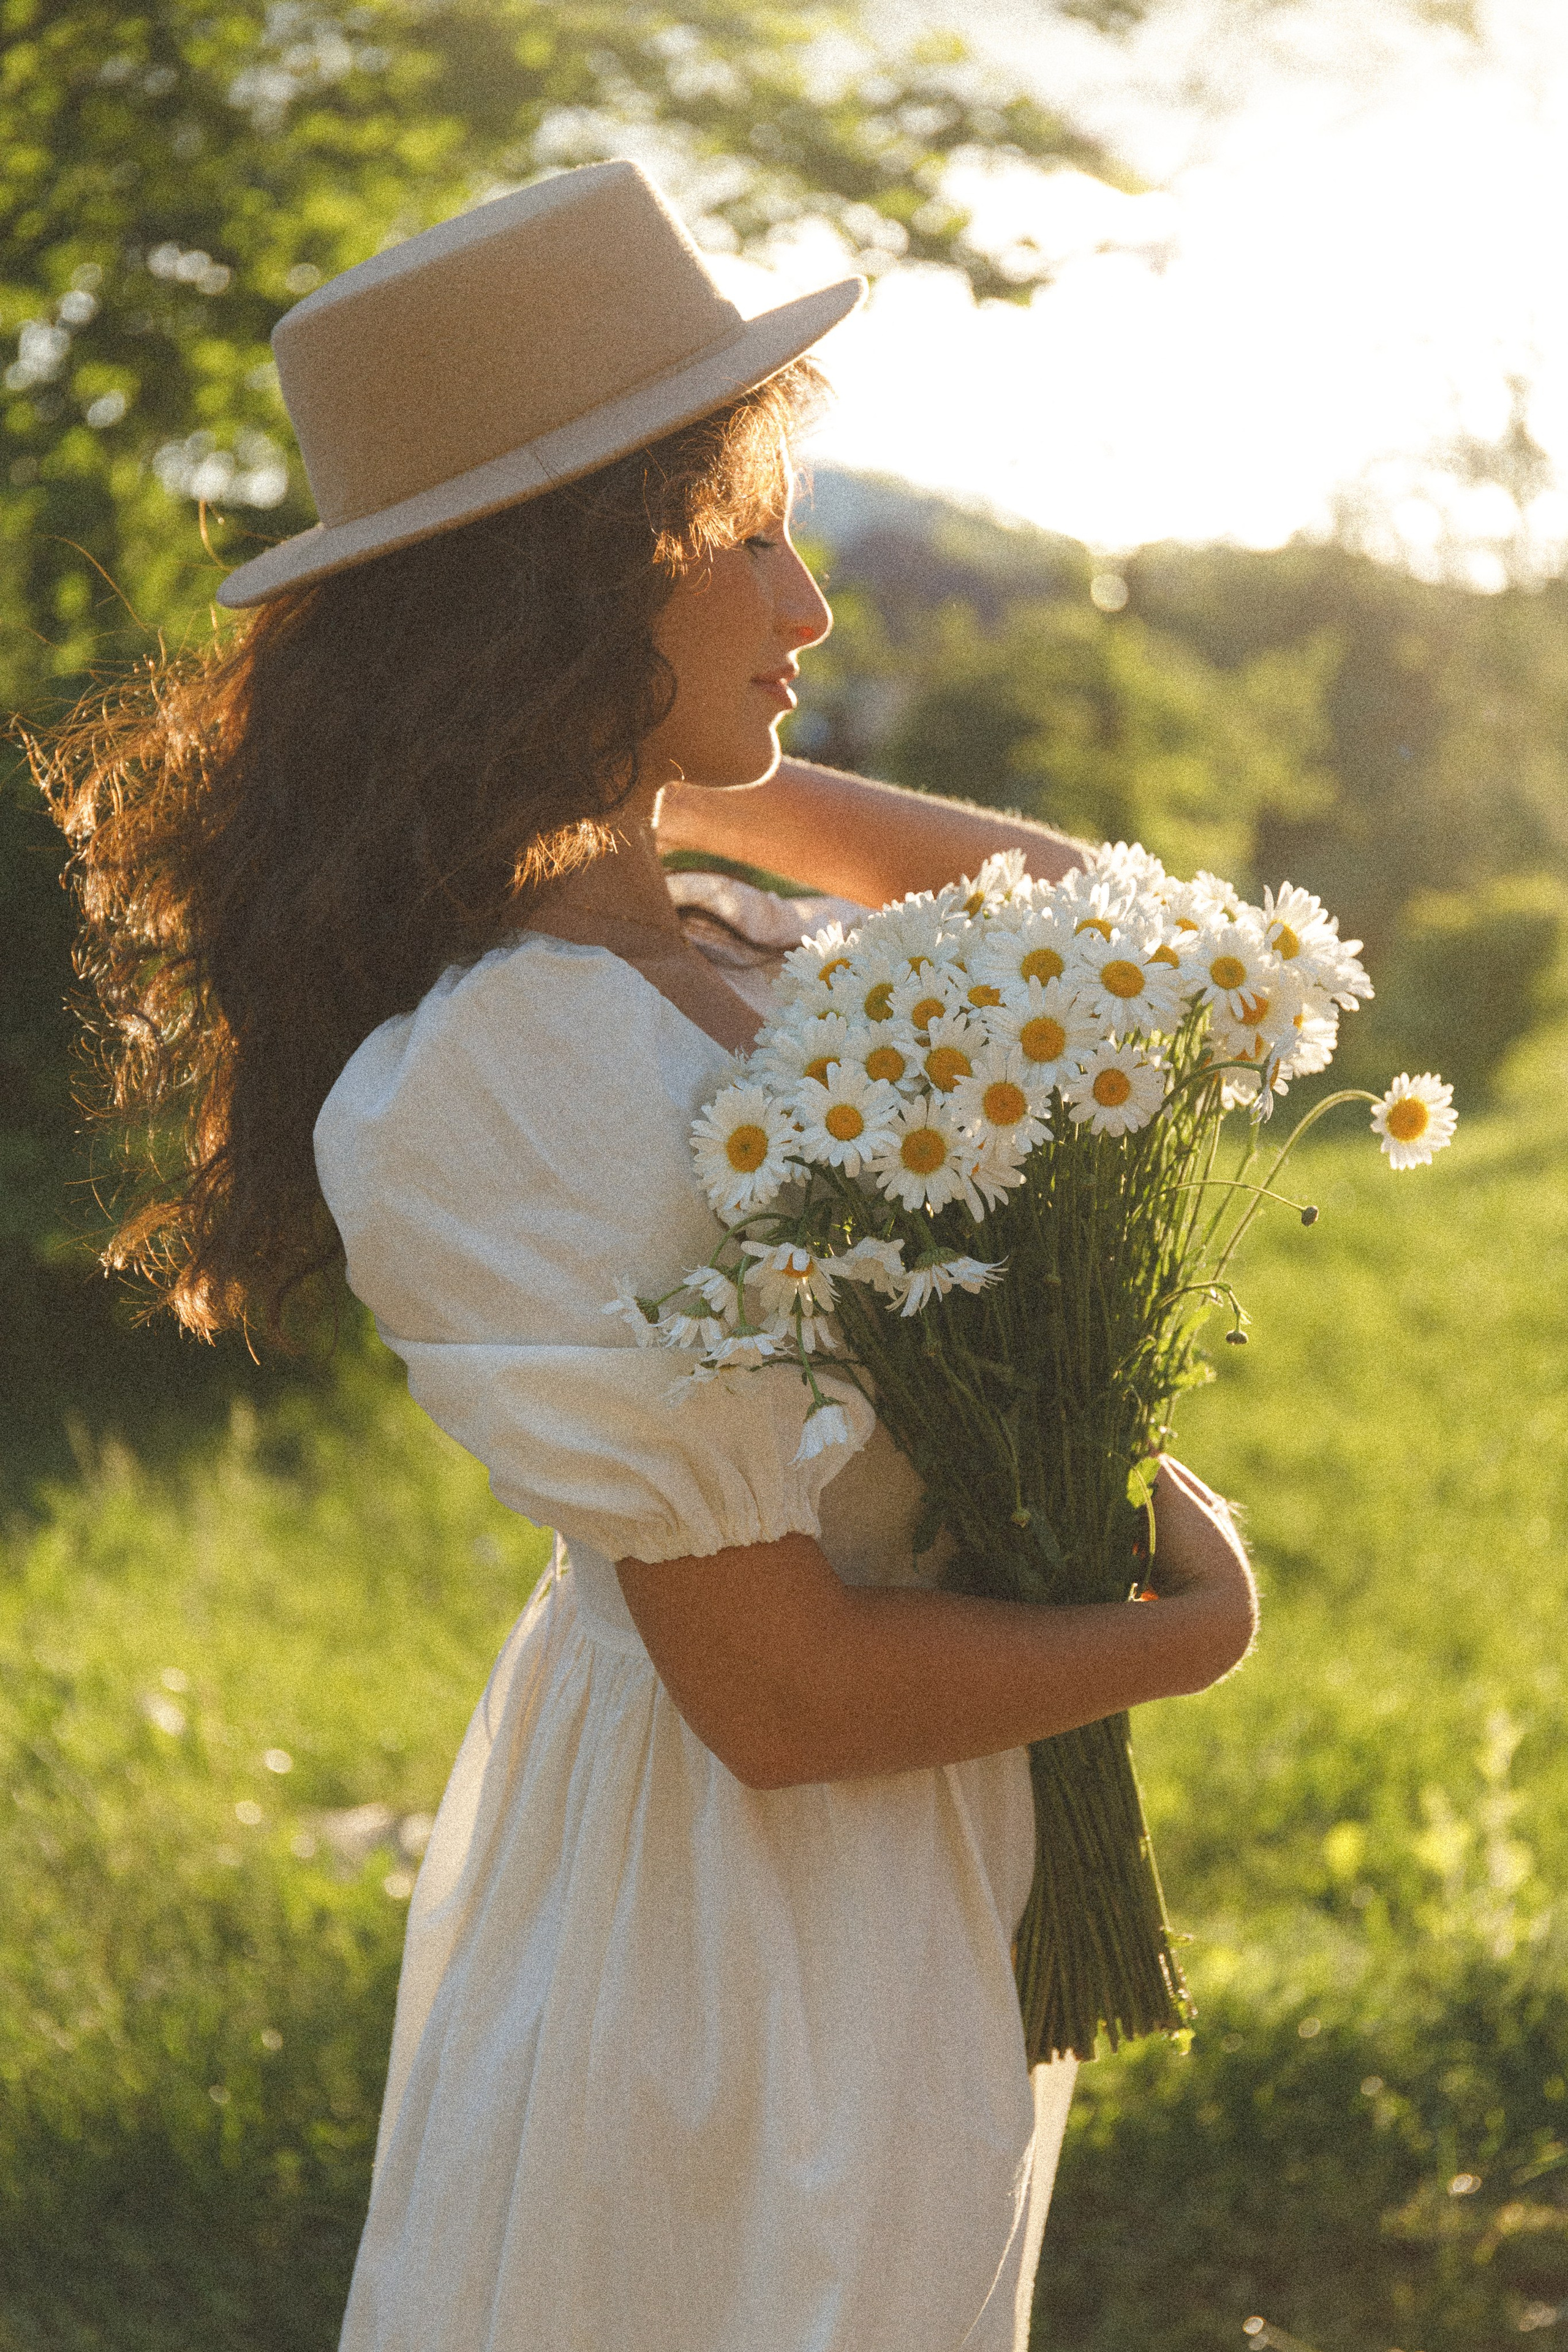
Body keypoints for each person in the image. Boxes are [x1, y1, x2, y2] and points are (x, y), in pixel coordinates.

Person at [43, 162, 1256, 2351]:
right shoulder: (506, 1068)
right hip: (744, 1940)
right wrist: (1184, 1639)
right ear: (564, 601)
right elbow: (778, 1699)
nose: (811, 608)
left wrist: (672, 790)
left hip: (915, 1875)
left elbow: (1110, 933)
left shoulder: (720, 954)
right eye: (747, 542)